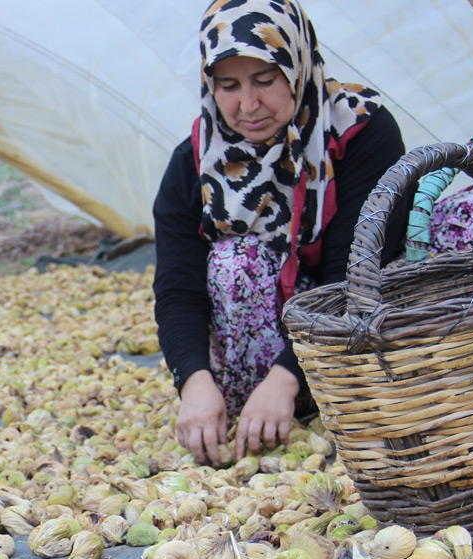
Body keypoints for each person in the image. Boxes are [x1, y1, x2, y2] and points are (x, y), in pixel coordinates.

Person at [153, 0, 410, 467]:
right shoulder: (195, 161)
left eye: (265, 80)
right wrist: (193, 380)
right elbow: (177, 288)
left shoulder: (359, 130)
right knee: (235, 262)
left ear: (297, 67)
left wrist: (288, 377)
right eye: (228, 86)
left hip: (361, 325)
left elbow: (356, 271)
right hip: (262, 359)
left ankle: (321, 389)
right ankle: (266, 401)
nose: (248, 106)